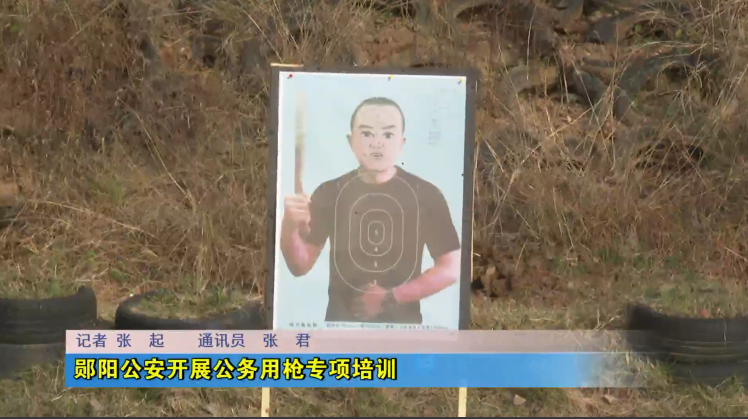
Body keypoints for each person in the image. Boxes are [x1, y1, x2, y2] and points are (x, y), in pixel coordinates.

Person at [279, 96, 461, 324]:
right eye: (366, 134)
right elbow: (299, 265)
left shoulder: (426, 194)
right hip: (340, 328)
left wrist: (390, 297)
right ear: (351, 141)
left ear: (402, 142)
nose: (377, 143)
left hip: (404, 332)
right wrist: (289, 227)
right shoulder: (329, 192)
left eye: (388, 135)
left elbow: (451, 268)